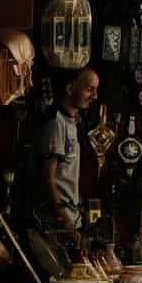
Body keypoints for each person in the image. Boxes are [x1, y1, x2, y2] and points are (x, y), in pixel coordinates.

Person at [30, 68, 98, 231]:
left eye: (95, 91)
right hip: (56, 223)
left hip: (72, 218)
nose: (94, 96)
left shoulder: (73, 123)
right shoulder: (56, 123)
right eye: (89, 89)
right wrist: (63, 218)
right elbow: (48, 177)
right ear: (69, 89)